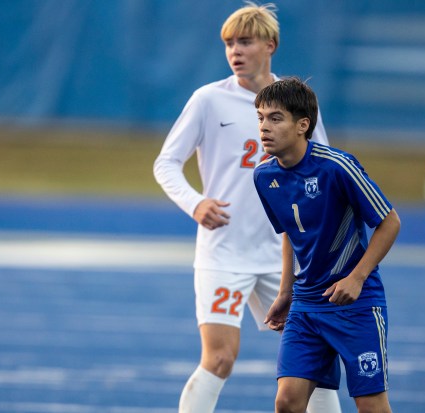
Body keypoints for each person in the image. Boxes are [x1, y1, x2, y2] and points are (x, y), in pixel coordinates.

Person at [153, 3, 342, 413]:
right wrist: (195, 202)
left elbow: (324, 167)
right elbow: (165, 162)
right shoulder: (208, 100)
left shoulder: (297, 102)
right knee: (219, 358)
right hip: (224, 252)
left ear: (270, 45)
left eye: (245, 41)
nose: (235, 51)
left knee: (319, 361)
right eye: (228, 43)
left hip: (285, 256)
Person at [253, 77, 400, 413]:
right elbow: (290, 232)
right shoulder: (263, 176)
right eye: (260, 117)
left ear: (303, 125)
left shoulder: (337, 167)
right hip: (306, 305)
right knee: (287, 402)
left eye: (275, 118)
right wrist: (285, 292)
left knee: (371, 405)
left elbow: (390, 222)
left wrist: (357, 277)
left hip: (356, 306)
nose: (264, 126)